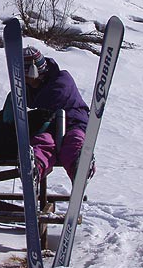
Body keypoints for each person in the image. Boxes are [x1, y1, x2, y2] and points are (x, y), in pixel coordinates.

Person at [5, 46, 92, 182]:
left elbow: (45, 104)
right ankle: (34, 167)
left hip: (73, 121)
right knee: (43, 142)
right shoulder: (30, 88)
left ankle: (80, 165)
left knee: (73, 140)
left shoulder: (62, 80)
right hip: (48, 126)